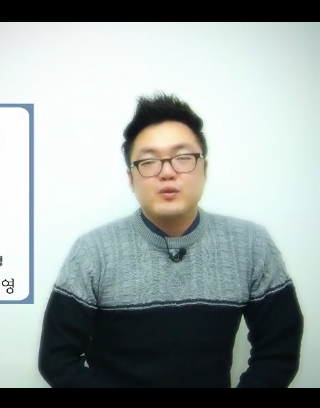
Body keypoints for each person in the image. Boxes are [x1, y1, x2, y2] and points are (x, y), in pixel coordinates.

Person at [37, 92, 304, 388]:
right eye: (149, 161)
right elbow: (57, 359)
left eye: (183, 158)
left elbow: (279, 351)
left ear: (204, 169)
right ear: (131, 179)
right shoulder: (93, 251)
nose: (167, 172)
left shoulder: (250, 244)